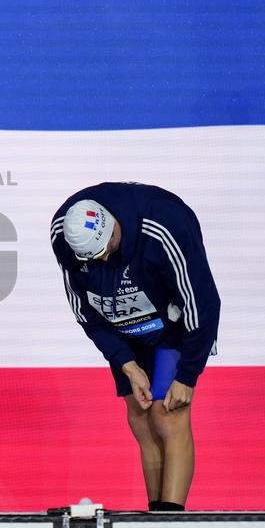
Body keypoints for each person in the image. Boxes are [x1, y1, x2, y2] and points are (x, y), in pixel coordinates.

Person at [50, 182, 220, 511]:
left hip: (170, 319)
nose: (103, 261)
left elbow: (204, 302)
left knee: (167, 414)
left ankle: (169, 526)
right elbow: (85, 312)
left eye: (106, 251)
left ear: (114, 227)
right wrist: (126, 363)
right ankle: (153, 517)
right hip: (122, 321)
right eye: (93, 259)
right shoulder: (63, 234)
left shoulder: (165, 224)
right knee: (141, 418)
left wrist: (187, 376)